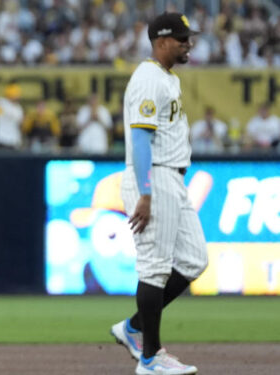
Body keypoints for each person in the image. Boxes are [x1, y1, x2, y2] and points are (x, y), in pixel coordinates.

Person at [112, 12, 207, 375]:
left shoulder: (166, 78)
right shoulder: (149, 78)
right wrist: (146, 192)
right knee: (154, 269)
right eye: (182, 38)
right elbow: (140, 138)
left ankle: (134, 327)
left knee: (194, 260)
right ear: (162, 40)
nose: (188, 43)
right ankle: (150, 358)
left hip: (173, 179)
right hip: (154, 178)